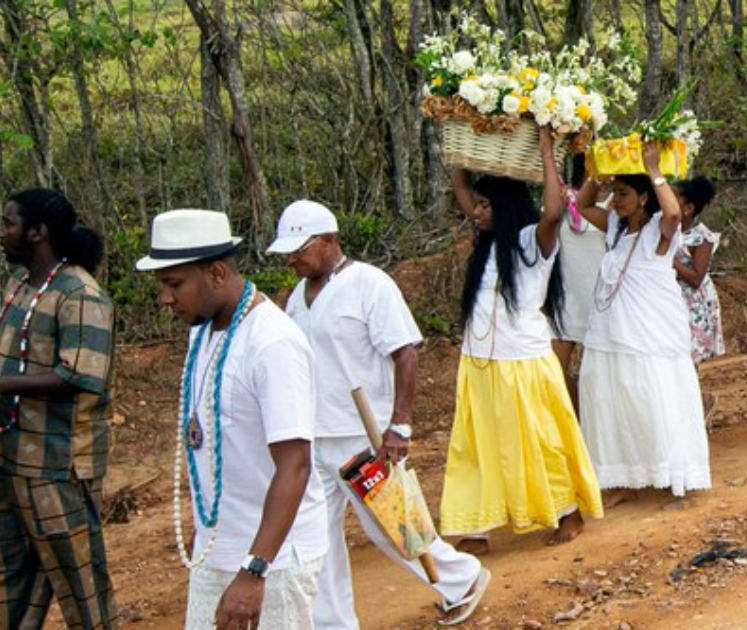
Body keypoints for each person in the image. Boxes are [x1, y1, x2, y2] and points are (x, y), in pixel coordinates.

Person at [268, 200, 488, 628]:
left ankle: (461, 579)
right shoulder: (297, 297)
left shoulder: (370, 284)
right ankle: (332, 621)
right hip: (315, 435)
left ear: (329, 240)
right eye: (289, 252)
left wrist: (399, 423)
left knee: (389, 525)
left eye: (300, 249)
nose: (292, 259)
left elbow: (405, 352)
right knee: (318, 534)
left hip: (362, 434)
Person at [137, 209, 329, 628]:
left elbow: (294, 466)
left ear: (218, 273)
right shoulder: (203, 331)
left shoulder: (272, 342)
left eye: (173, 284)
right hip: (220, 552)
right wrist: (209, 528)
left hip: (272, 563)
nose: (165, 299)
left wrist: (254, 570)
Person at [441, 128, 603, 555]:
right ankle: (478, 526)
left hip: (525, 362)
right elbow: (459, 184)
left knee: (540, 441)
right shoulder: (485, 241)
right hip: (478, 362)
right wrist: (460, 130)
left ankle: (568, 510)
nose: (475, 212)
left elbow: (552, 210)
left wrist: (547, 150)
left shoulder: (535, 241)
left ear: (506, 209)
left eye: (484, 205)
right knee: (477, 447)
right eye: (477, 205)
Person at [0, 189, 117, 628]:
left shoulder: (81, 294)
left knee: (80, 584)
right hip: (12, 458)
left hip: (59, 466)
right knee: (17, 579)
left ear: (37, 232)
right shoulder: (19, 286)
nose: (2, 233)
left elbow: (81, 375)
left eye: (8, 223)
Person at [575, 143, 712, 507]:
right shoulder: (614, 229)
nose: (615, 201)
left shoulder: (660, 229)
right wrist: (596, 173)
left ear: (643, 198)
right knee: (611, 399)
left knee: (653, 396)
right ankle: (622, 478)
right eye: (615, 194)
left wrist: (654, 171)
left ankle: (673, 478)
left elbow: (671, 211)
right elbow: (582, 206)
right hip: (611, 330)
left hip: (650, 332)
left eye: (623, 194)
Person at [552, 153, 607, 411]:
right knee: (554, 368)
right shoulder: (563, 201)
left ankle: (597, 430)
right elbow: (547, 230)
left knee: (598, 376)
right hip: (568, 299)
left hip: (601, 301)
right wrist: (561, 206)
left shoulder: (617, 205)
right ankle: (578, 424)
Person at [671, 176, 724, 366]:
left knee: (687, 354)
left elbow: (695, 278)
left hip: (691, 303)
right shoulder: (666, 230)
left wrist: (670, 261)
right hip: (670, 298)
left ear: (688, 209)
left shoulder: (702, 238)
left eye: (672, 198)